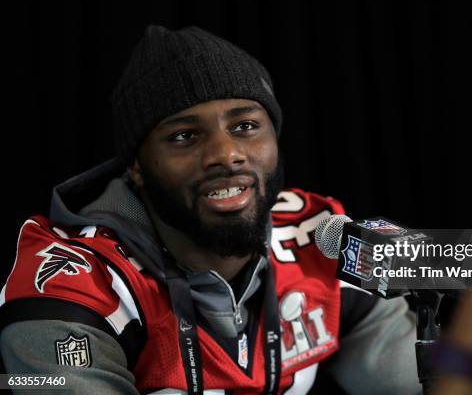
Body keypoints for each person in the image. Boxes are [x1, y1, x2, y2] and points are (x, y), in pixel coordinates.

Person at [0, 26, 421, 394]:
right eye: (184, 135)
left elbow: (427, 378)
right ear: (136, 167)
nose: (226, 153)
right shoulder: (64, 283)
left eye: (245, 126)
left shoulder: (318, 234)